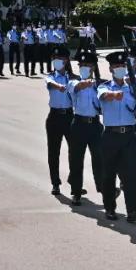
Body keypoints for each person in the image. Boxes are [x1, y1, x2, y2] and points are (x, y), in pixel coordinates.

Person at [97, 51, 136, 222]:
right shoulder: (104, 86)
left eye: (122, 66)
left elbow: (135, 112)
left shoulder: (132, 90)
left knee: (130, 175)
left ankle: (133, 211)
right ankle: (110, 208)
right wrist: (115, 95)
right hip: (110, 136)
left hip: (129, 135)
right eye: (116, 66)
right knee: (109, 174)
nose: (120, 69)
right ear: (111, 69)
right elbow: (103, 97)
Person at [67, 50, 103, 204]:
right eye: (81, 65)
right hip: (79, 124)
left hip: (95, 125)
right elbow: (78, 87)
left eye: (87, 65)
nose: (84, 67)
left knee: (100, 159)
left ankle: (104, 189)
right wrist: (92, 83)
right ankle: (76, 192)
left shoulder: (101, 85)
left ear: (94, 67)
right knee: (76, 159)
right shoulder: (73, 82)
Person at [43, 46, 75, 196]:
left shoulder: (73, 78)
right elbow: (50, 84)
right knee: (53, 152)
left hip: (70, 116)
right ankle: (55, 183)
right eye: (55, 59)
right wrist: (60, 86)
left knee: (75, 151)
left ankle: (74, 180)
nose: (57, 61)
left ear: (66, 60)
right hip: (54, 117)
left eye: (60, 59)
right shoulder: (51, 76)